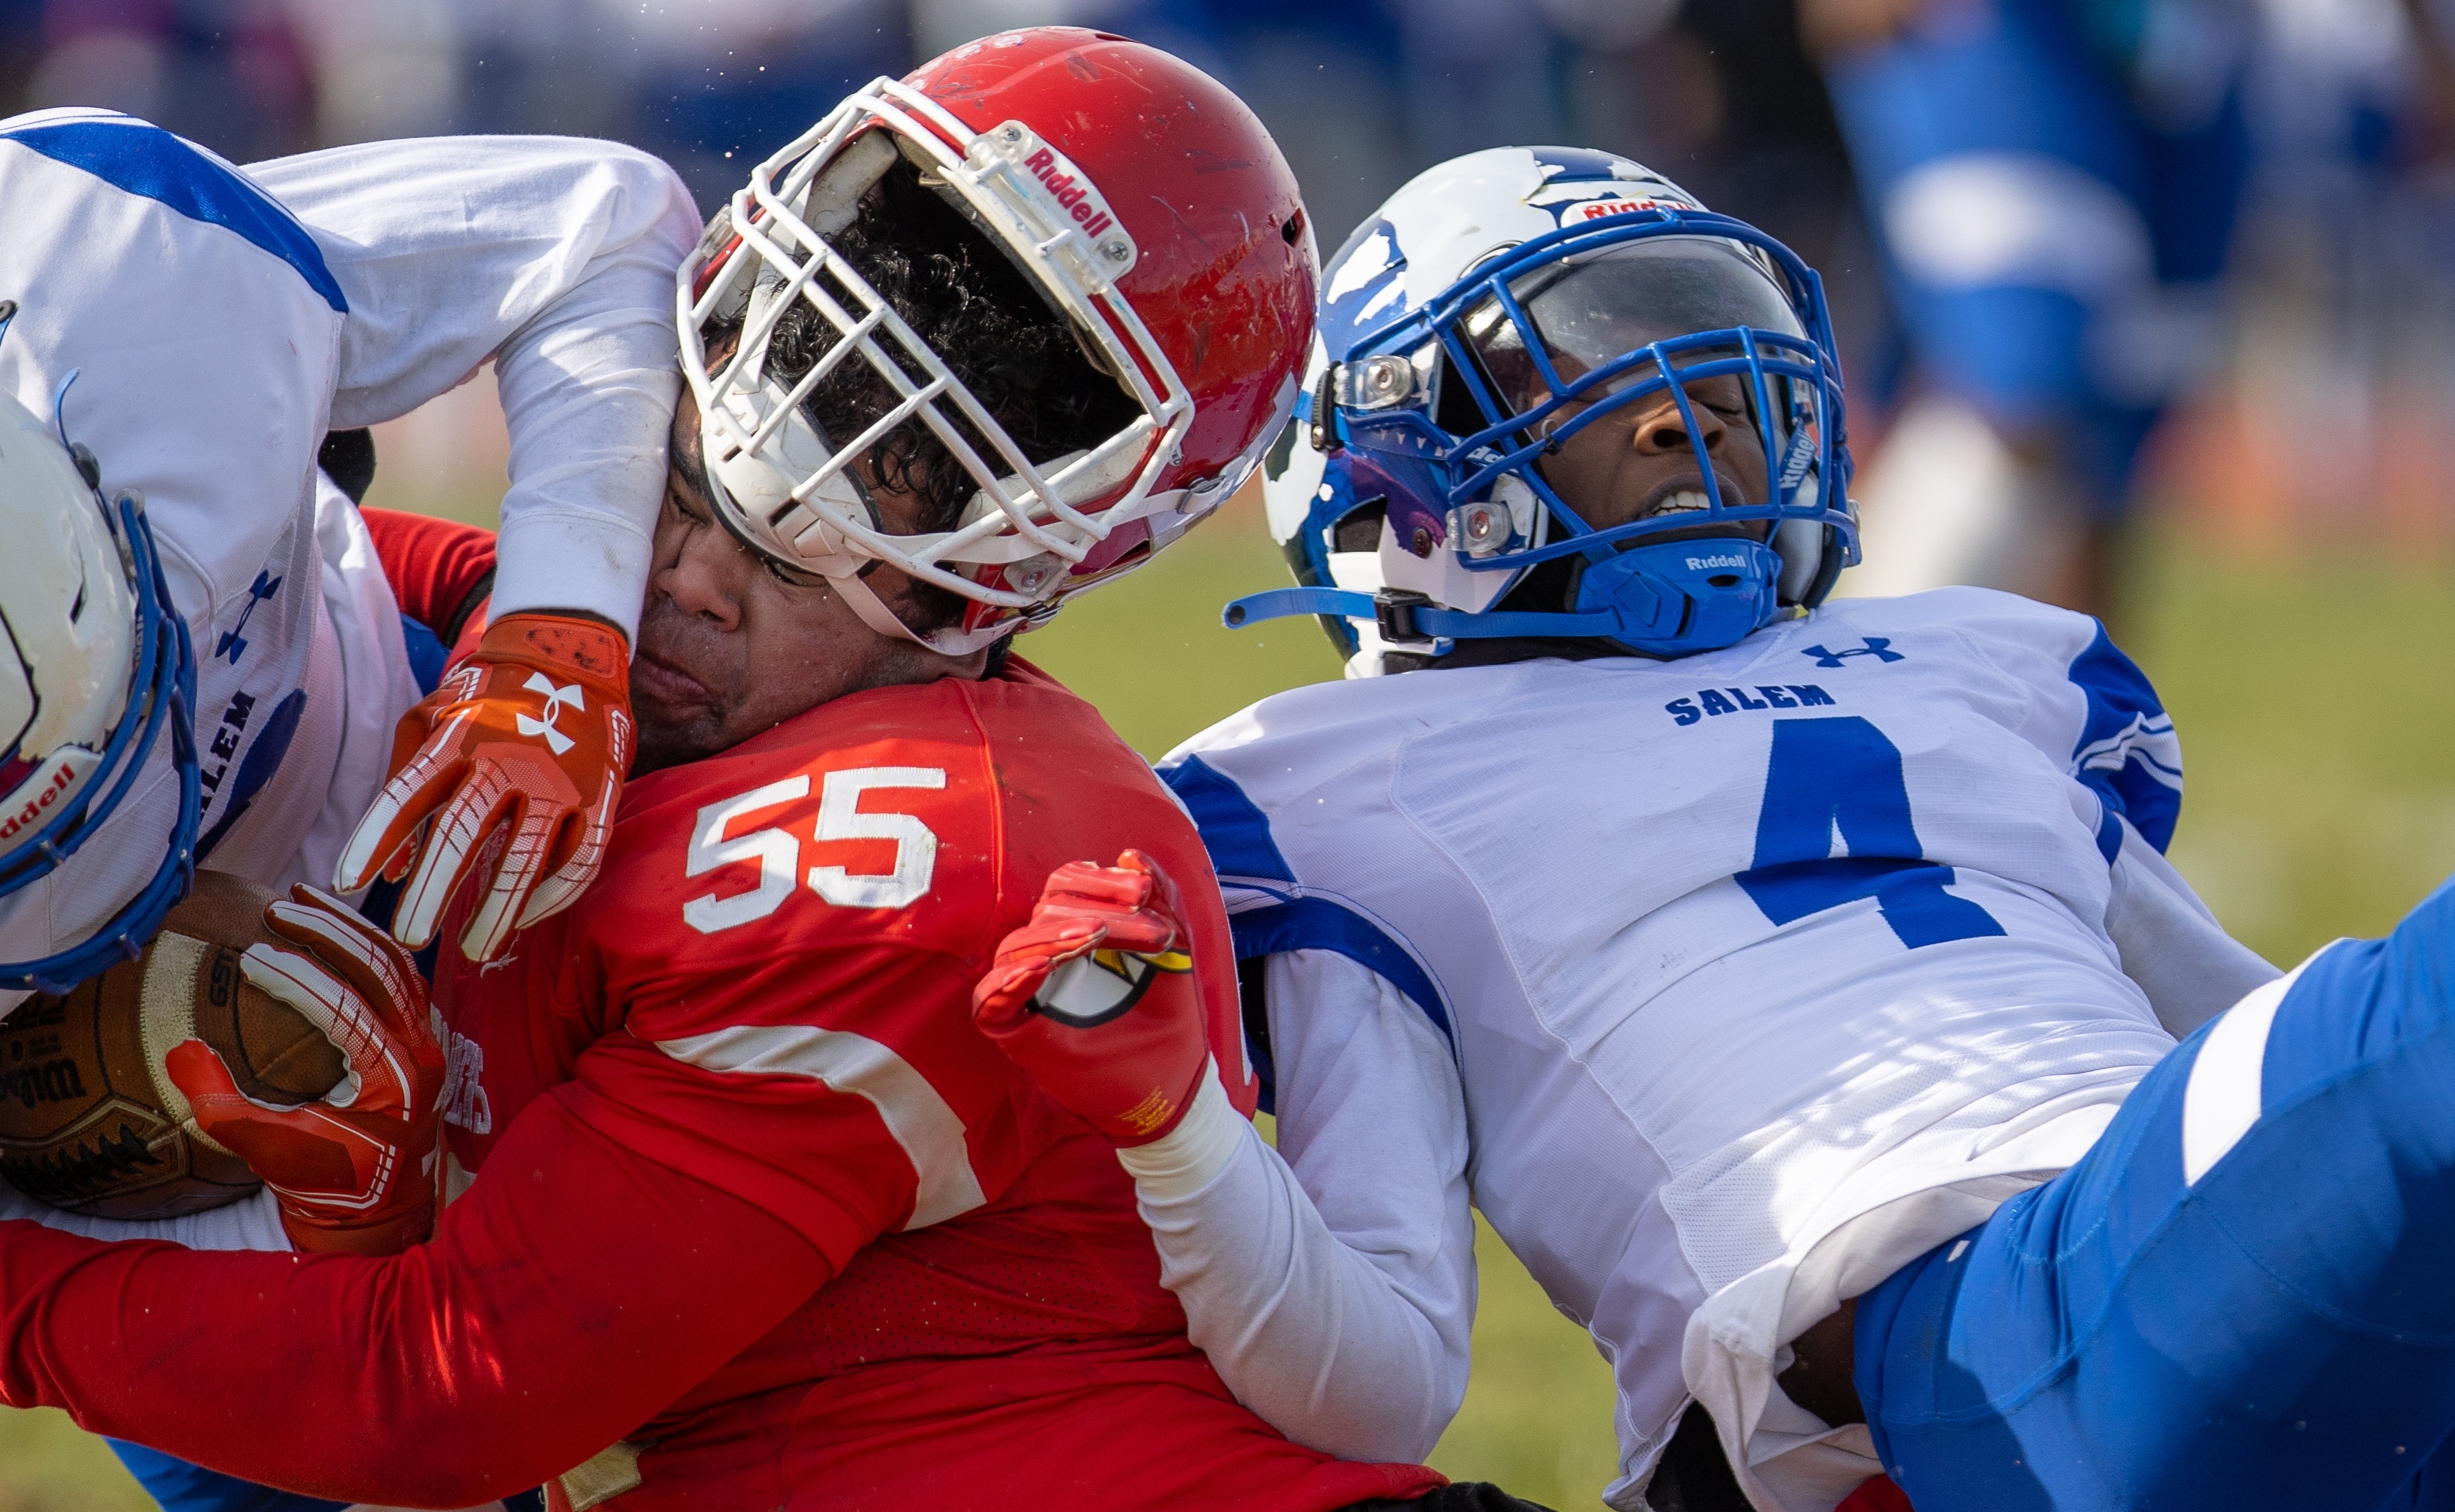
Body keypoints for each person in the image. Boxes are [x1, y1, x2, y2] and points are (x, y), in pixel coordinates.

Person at [0, 30, 1548, 1512]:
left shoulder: (928, 847)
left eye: (778, 565)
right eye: (672, 486)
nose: (675, 578)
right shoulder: (538, 636)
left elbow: (447, 1391)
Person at [951, 145, 2455, 1512]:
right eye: (1595, 370)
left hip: (2165, 1269)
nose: (1689, 412)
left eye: (1718, 367)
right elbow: (1386, 1377)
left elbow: (2240, 1036)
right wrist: (1177, 1134)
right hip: (1960, 1342)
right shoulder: (1345, 785)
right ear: (1400, 464)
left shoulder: (1979, 665)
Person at [0, 106, 698, 1511]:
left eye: (101, 731)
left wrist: (556, 632)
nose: (113, 841)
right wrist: (311, 1231)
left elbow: (597, 223)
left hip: (411, 733)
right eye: (7, 867)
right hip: (110, 1138)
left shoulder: (85, 253)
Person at [1799, 0, 2248, 620]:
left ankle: (2079, 712)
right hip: (2008, 61)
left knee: (2105, 461)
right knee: (2023, 398)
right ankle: (1858, 673)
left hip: (2178, 75)